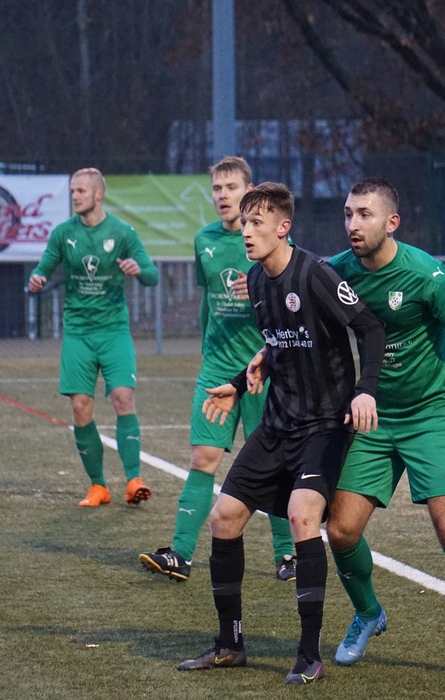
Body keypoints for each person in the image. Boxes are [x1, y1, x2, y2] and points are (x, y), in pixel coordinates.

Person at [177, 182, 386, 685]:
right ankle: (230, 645)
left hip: (323, 425)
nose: (247, 232)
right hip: (277, 422)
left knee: (301, 515)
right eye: (244, 223)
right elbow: (278, 345)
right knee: (224, 518)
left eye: (257, 223)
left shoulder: (316, 274)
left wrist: (365, 390)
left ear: (283, 227)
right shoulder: (257, 280)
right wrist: (238, 382)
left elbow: (371, 329)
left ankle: (309, 654)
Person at [326, 177, 445, 682]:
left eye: (365, 214)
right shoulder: (336, 273)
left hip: (430, 415)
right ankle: (368, 613)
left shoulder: (427, 275)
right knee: (341, 530)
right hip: (372, 417)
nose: (353, 224)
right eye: (348, 213)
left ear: (392, 222)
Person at [139, 157, 295, 582]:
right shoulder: (203, 240)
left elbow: (291, 304)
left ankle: (287, 555)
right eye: (217, 188)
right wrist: (206, 352)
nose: (223, 195)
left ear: (249, 192)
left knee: (275, 462)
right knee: (203, 457)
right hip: (217, 367)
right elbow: (208, 302)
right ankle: (180, 555)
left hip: (262, 370)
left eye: (231, 187)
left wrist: (261, 290)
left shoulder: (269, 240)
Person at [28, 167, 158, 507]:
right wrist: (37, 279)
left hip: (114, 331)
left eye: (81, 191)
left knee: (122, 398)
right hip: (78, 333)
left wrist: (138, 270)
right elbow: (44, 267)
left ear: (99, 195)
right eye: (73, 191)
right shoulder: (63, 233)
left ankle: (133, 479)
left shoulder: (122, 232)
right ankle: (98, 486)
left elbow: (152, 275)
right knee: (79, 407)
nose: (75, 196)